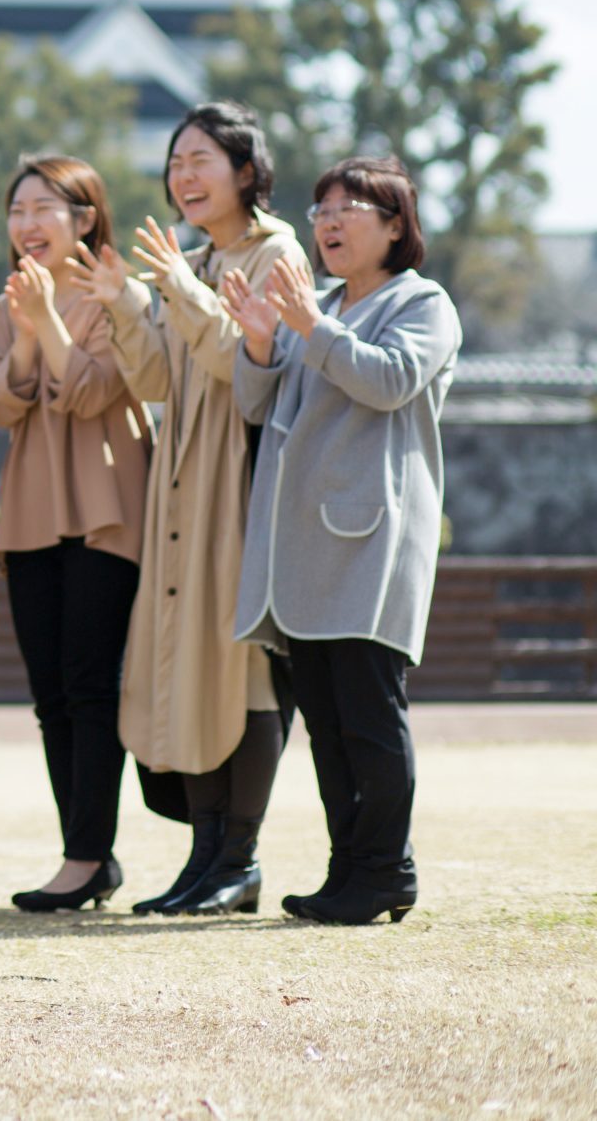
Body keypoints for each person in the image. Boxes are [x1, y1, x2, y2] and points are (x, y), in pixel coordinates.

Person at [77, 103, 305, 916]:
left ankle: (238, 856)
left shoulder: (277, 251)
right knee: (188, 665)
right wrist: (126, 303)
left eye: (201, 159)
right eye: (176, 162)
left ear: (246, 170)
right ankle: (205, 857)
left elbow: (247, 369)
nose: (184, 175)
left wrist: (174, 286)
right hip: (180, 479)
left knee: (243, 667)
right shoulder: (196, 258)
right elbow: (157, 380)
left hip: (240, 478)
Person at [228, 155, 459, 926]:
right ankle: (349, 870)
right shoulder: (317, 305)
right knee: (326, 722)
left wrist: (309, 328)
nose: (327, 222)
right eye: (321, 209)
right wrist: (259, 343)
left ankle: (387, 868)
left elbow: (390, 381)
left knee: (368, 713)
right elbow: (257, 406)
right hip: (304, 548)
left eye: (347, 208)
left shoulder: (421, 302)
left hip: (371, 543)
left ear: (395, 225)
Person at [0, 154, 152, 912]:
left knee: (90, 686)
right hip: (31, 510)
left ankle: (86, 855)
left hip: (104, 505)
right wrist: (25, 331)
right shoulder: (8, 302)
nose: (26, 224)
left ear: (84, 218)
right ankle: (86, 856)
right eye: (17, 210)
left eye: (42, 209)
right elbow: (3, 405)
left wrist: (47, 320)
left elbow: (90, 393)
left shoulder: (120, 293)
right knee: (50, 694)